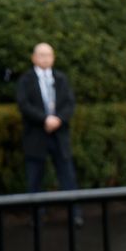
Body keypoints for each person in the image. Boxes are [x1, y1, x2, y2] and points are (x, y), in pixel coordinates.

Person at [16, 43, 79, 200]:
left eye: (48, 55)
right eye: (41, 55)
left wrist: (58, 119)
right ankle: (36, 217)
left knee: (68, 176)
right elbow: (23, 104)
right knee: (35, 179)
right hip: (36, 136)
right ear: (34, 58)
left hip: (59, 135)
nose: (45, 59)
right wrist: (44, 119)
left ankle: (75, 214)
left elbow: (69, 104)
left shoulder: (61, 78)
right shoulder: (26, 80)